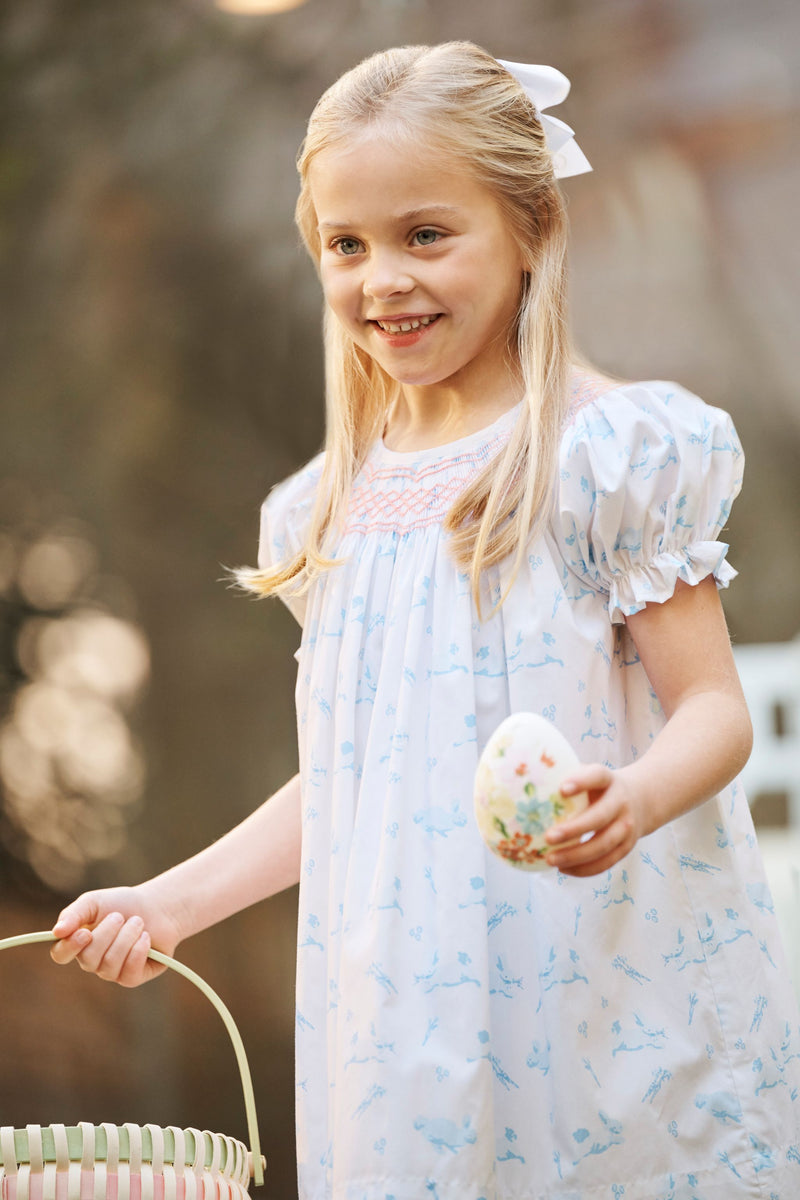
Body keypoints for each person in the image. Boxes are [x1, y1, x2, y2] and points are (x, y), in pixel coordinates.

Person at [51, 41, 800, 1200]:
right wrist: (168, 904)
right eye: (345, 244)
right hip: (400, 1007)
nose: (381, 277)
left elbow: (709, 707)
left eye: (424, 234)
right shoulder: (327, 508)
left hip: (583, 981)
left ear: (528, 231)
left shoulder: (602, 459)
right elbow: (349, 776)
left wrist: (634, 798)